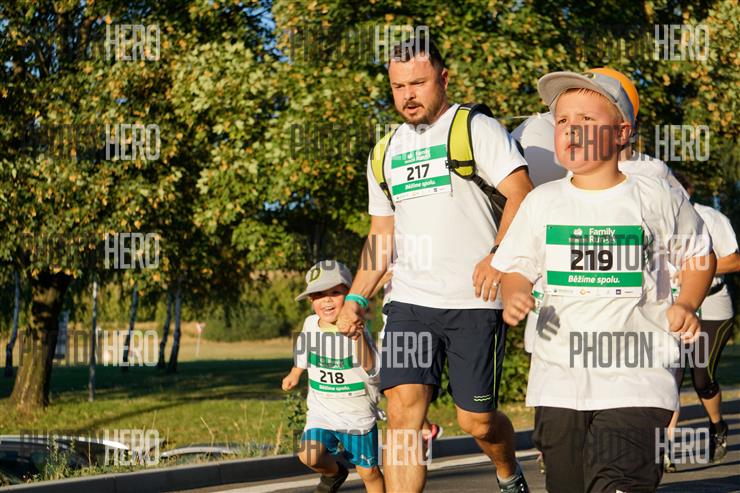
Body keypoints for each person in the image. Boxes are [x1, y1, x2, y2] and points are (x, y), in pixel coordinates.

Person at [492, 68, 716, 492]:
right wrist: (516, 292)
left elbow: (699, 256)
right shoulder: (542, 202)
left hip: (638, 378)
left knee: (619, 483)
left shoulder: (656, 195)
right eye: (562, 120)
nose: (571, 129)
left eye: (587, 119)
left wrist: (687, 302)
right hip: (559, 381)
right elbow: (515, 266)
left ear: (622, 133)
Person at [337, 34, 533, 493]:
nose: (408, 95)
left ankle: (508, 470)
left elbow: (522, 192)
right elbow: (381, 234)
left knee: (476, 420)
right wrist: (356, 296)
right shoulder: (384, 152)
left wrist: (499, 256)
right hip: (410, 302)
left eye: (418, 83)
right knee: (403, 413)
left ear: (443, 79)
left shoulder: (475, 128)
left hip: (475, 302)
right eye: (398, 86)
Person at [282, 260, 384, 493]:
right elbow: (304, 349)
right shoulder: (310, 324)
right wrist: (296, 372)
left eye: (335, 293)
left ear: (349, 295)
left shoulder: (357, 328)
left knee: (369, 472)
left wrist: (357, 337)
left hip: (356, 415)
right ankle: (334, 473)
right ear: (310, 300)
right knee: (308, 455)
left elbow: (372, 369)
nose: (326, 300)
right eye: (319, 295)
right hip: (323, 411)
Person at [663, 173, 739, 472]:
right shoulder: (656, 217)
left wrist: (696, 269)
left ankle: (717, 425)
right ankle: (665, 449)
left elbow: (734, 260)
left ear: (688, 191)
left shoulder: (711, 218)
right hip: (673, 306)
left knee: (701, 377)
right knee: (669, 376)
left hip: (713, 304)